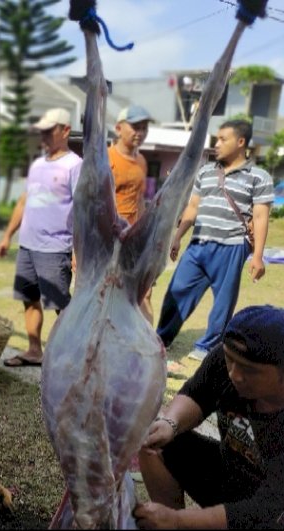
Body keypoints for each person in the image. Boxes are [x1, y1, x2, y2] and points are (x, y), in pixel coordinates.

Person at [135, 305, 284, 529]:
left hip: (273, 510)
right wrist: (169, 424)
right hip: (232, 474)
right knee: (154, 442)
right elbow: (197, 394)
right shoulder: (226, 362)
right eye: (229, 360)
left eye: (249, 370)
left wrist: (178, 521)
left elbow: (266, 507)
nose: (234, 374)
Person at [156, 119, 273, 362]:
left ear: (241, 142)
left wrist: (258, 256)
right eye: (216, 139)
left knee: (223, 301)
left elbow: (261, 217)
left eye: (223, 139)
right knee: (177, 291)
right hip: (198, 244)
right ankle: (161, 339)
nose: (216, 144)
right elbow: (193, 207)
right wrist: (178, 237)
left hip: (231, 246)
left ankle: (207, 346)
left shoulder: (258, 177)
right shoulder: (206, 172)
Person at [0, 108, 82, 367]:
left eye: (49, 130)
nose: (43, 135)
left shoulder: (75, 165)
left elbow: (82, 210)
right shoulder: (37, 164)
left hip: (55, 248)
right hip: (28, 246)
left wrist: (78, 252)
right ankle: (35, 351)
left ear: (65, 131)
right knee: (29, 299)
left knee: (62, 307)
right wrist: (7, 235)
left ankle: (74, 358)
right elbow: (24, 201)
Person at [109, 105, 154, 323]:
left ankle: (147, 345)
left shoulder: (142, 161)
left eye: (144, 127)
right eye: (136, 127)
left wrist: (147, 236)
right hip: (108, 242)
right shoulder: (106, 159)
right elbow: (91, 206)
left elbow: (140, 200)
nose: (141, 132)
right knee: (109, 295)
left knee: (144, 293)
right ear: (118, 128)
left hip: (134, 241)